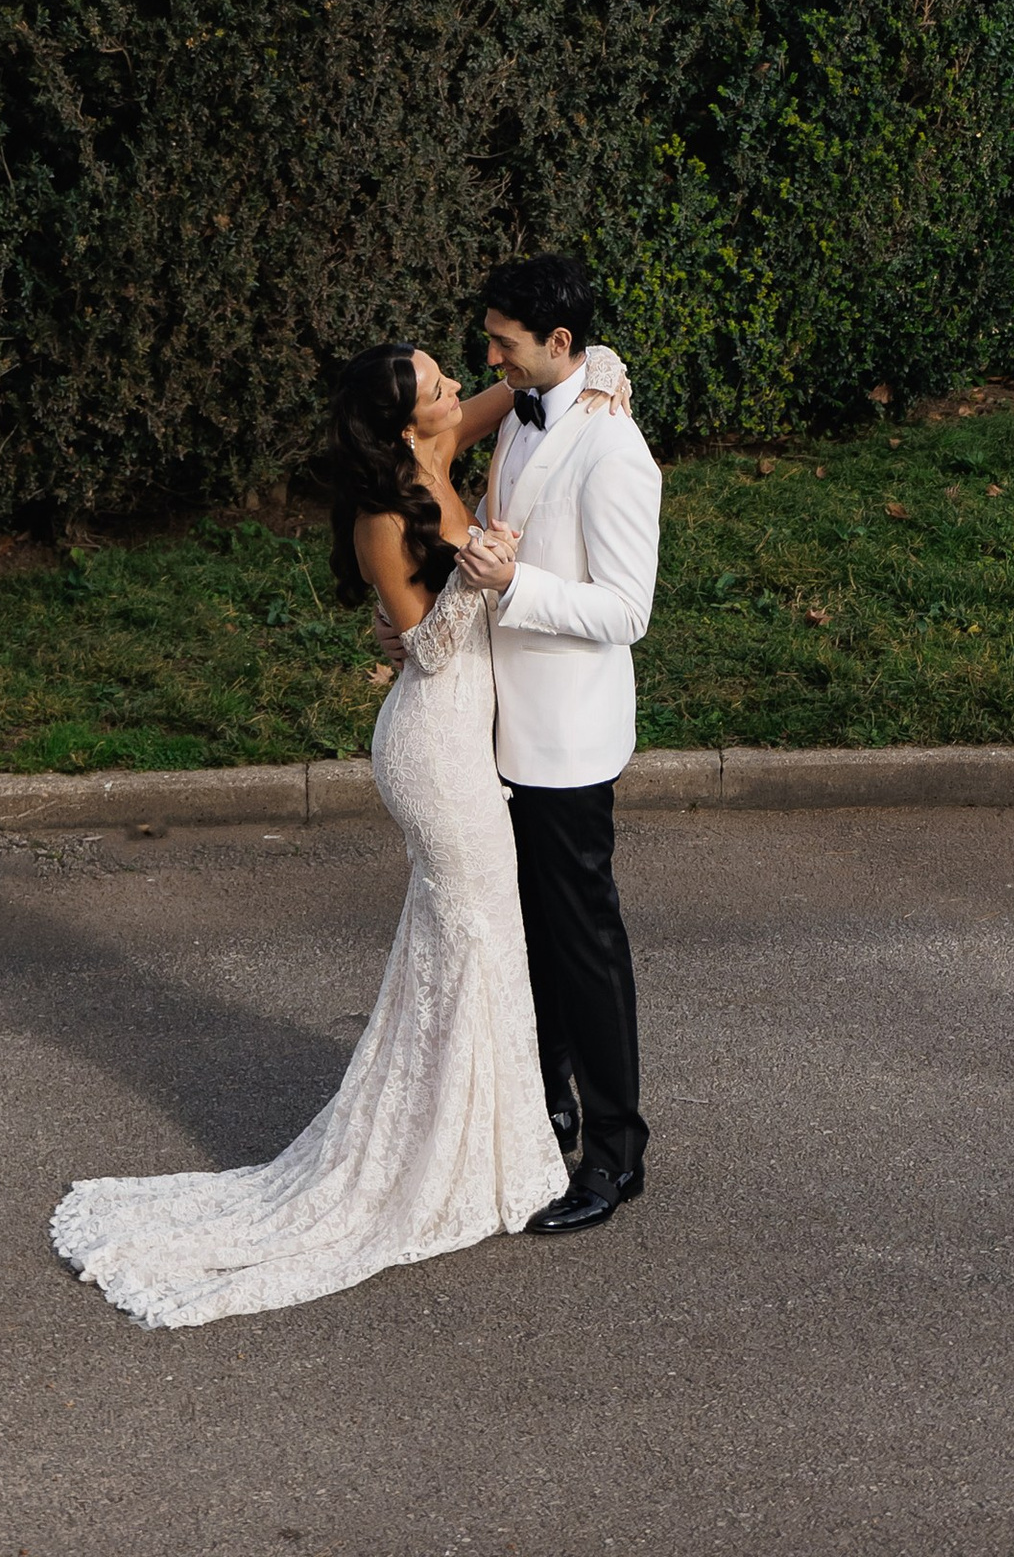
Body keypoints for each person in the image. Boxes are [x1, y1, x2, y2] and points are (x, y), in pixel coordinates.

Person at [48, 323, 630, 1325]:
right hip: (433, 749)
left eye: (447, 374)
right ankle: (459, 1153)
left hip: (473, 738)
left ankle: (487, 1135)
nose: (460, 383)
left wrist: (603, 370)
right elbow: (428, 652)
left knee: (476, 941)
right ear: (405, 422)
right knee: (480, 936)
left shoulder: (442, 447)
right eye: (438, 383)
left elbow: (535, 376)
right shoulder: (380, 514)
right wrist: (475, 576)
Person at [457, 251, 663, 1239]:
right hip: (501, 721)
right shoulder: (531, 404)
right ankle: (550, 1103)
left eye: (505, 343)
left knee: (584, 947)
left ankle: (617, 1154)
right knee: (530, 934)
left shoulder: (614, 451)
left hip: (567, 743)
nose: (492, 357)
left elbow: (627, 611)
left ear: (561, 342)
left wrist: (515, 587)